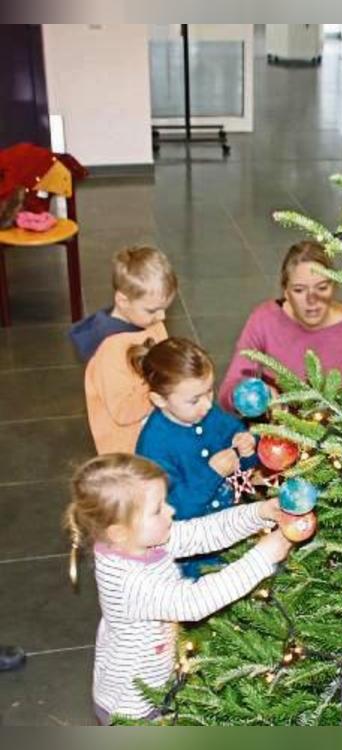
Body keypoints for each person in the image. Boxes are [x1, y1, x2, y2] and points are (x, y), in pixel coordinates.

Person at [65, 453, 291, 724]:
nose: (170, 511)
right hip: (132, 706)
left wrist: (258, 513)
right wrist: (262, 558)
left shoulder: (141, 541)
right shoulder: (129, 582)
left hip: (157, 680)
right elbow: (194, 601)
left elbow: (202, 533)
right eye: (158, 509)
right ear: (119, 532)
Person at [132, 337, 258, 578]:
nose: (207, 405)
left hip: (229, 527)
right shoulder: (154, 446)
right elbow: (175, 512)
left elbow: (246, 468)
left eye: (209, 391)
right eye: (194, 400)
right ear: (159, 400)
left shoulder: (209, 416)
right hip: (188, 552)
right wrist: (212, 474)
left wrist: (248, 448)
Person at [218, 241, 342, 412]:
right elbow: (228, 392)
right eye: (299, 290)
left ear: (334, 286)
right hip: (273, 428)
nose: (312, 300)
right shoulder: (264, 319)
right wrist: (253, 397)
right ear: (286, 292)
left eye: (322, 288)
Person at [72, 246, 177, 454]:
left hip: (156, 436)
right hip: (129, 453)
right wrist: (167, 387)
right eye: (152, 310)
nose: (162, 316)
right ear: (122, 300)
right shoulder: (109, 351)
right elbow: (122, 411)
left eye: (165, 308)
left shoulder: (151, 323)